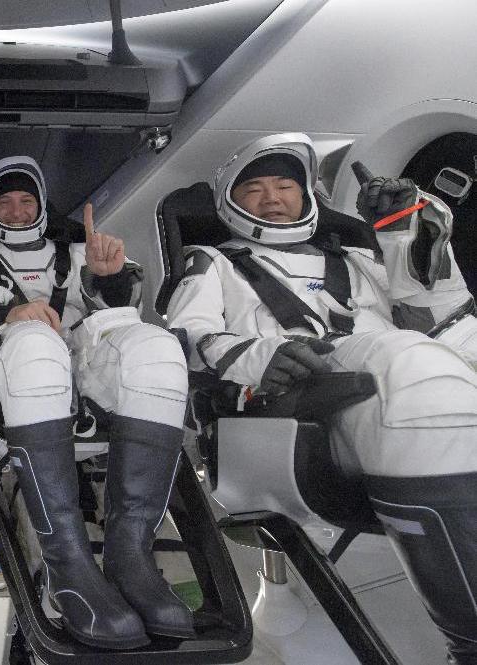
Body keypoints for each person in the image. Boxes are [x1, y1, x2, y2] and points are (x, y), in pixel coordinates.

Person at [166, 132, 477, 663]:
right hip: (293, 404)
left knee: (429, 361)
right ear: (229, 205)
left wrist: (403, 236)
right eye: (254, 189)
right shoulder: (213, 263)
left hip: (396, 380)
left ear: (306, 194)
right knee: (414, 366)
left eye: (285, 185)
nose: (272, 197)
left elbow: (444, 322)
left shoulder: (359, 259)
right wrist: (258, 356)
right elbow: (188, 338)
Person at [0, 156, 194, 649]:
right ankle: (67, 566)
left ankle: (130, 556)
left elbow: (117, 315)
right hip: (12, 371)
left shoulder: (77, 252)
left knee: (157, 347)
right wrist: (9, 310)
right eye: (5, 203)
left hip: (84, 369)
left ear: (41, 208)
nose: (17, 211)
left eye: (26, 201)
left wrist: (109, 279)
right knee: (35, 340)